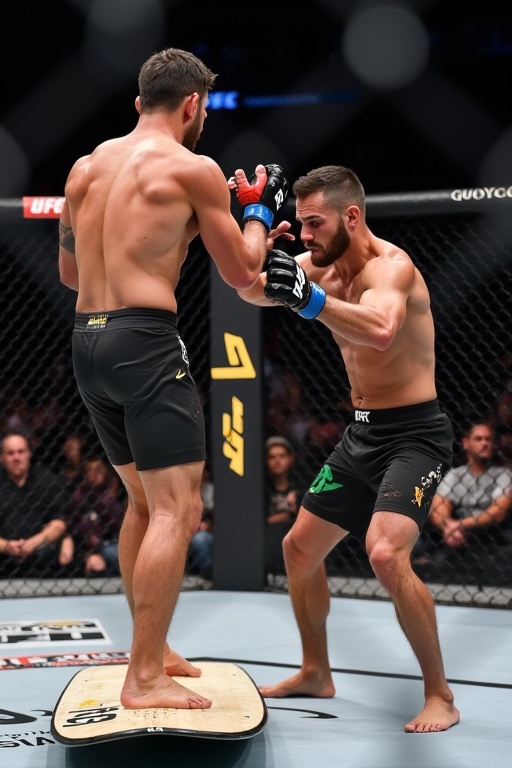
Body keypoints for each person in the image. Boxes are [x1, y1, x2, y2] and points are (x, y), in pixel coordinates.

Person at [58, 46, 289, 709]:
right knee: (179, 510)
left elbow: (70, 275)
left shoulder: (83, 169)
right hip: (145, 344)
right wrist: (257, 213)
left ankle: (150, 651)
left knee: (141, 503)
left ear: (139, 104)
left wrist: (173, 238)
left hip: (87, 341)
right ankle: (144, 679)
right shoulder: (195, 169)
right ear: (194, 105)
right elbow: (245, 278)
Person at [231, 164, 459, 732]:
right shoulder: (318, 269)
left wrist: (306, 298)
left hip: (415, 435)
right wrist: (257, 226)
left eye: (314, 224)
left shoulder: (393, 268)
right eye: (300, 223)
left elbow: (380, 329)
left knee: (384, 554)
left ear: (351, 217)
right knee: (298, 550)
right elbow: (248, 287)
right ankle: (315, 671)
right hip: (362, 434)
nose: (304, 236)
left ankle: (441, 694)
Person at [414, 422, 512, 585]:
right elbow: (439, 506)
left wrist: (459, 525)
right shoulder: (455, 474)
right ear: (466, 443)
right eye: (479, 439)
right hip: (456, 536)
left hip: (491, 535)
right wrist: (448, 527)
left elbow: (498, 512)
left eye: (488, 439)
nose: (484, 443)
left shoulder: (503, 474)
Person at [0, 431, 68, 578]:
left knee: (49, 551)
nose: (16, 458)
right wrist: (5, 546)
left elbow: (59, 523)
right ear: (2, 458)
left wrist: (34, 542)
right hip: (2, 555)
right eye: (10, 453)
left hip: (40, 553)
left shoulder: (47, 480)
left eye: (21, 452)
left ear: (29, 454)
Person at [59, 457, 125, 577]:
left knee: (113, 552)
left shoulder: (110, 498)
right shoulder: (78, 497)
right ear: (85, 473)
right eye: (91, 470)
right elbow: (74, 525)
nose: (95, 474)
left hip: (107, 543)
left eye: (98, 470)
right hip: (81, 545)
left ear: (105, 472)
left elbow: (116, 527)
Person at [264, 436, 302, 575]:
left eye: (282, 456)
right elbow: (257, 523)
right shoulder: (260, 487)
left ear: (290, 459)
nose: (277, 461)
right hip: (269, 538)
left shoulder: (301, 484)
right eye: (272, 457)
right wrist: (288, 514)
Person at [187, 464, 214, 580]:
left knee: (200, 539)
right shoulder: (182, 491)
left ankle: (211, 573)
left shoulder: (212, 490)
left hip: (209, 531)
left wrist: (209, 526)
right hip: (186, 530)